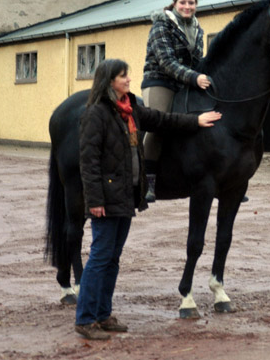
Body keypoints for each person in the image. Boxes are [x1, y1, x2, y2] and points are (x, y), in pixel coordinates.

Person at [76, 59, 221, 340]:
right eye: (123, 76)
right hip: (105, 199)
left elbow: (163, 120)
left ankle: (103, 315)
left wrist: (196, 120)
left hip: (125, 197)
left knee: (112, 259)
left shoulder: (130, 110)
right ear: (109, 82)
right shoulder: (97, 114)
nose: (129, 80)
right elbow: (89, 161)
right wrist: (94, 200)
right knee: (100, 257)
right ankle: (85, 319)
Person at [141, 0, 210, 202]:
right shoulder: (161, 25)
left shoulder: (198, 29)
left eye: (191, 3)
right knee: (158, 125)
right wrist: (194, 77)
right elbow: (166, 62)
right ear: (175, 3)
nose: (187, 6)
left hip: (186, 83)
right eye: (183, 2)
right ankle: (147, 181)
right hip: (160, 81)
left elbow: (198, 61)